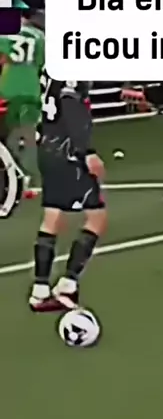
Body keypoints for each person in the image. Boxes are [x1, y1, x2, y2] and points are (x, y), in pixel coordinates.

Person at [28, 76, 105, 312]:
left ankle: (40, 289)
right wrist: (88, 152)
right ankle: (68, 282)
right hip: (67, 152)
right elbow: (70, 105)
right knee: (96, 216)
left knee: (53, 216)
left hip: (48, 147)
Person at [0, 10, 45, 199]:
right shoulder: (39, 36)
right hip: (31, 90)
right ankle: (30, 180)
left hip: (8, 90)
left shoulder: (4, 34)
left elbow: (3, 58)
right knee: (28, 136)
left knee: (7, 138)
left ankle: (11, 179)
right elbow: (41, 64)